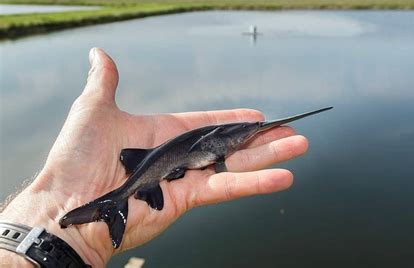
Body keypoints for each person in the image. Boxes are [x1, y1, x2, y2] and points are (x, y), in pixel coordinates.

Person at [0, 48, 308, 267]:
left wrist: (43, 229)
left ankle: (100, 212)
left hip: (165, 166)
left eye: (251, 132)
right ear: (227, 139)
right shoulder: (216, 145)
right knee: (125, 194)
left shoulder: (221, 143)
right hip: (150, 167)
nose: (252, 133)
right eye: (246, 133)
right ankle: (108, 207)